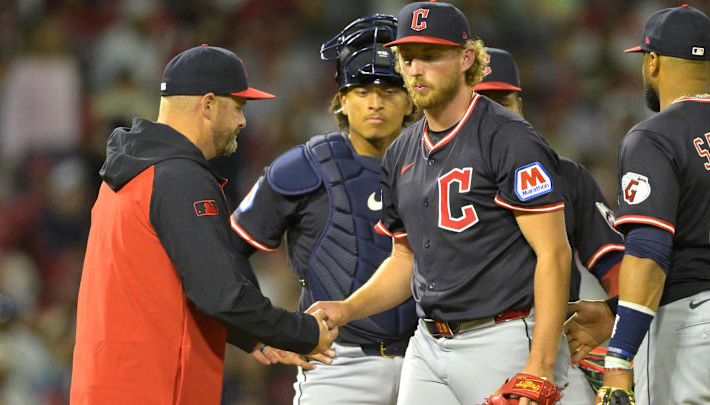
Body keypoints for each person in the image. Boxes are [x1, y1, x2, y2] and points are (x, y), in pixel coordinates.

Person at [308, 3, 572, 404]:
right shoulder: (400, 152)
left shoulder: (508, 138)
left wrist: (540, 363)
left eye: (430, 56)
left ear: (467, 58)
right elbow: (404, 260)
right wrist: (346, 310)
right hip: (428, 345)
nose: (415, 69)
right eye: (407, 57)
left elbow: (553, 252)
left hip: (502, 337)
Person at [69, 45, 337, 405]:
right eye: (238, 107)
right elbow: (222, 295)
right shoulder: (181, 177)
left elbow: (176, 286)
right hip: (156, 388)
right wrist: (303, 332)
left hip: (109, 383)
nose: (243, 121)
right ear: (208, 104)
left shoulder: (131, 169)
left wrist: (252, 336)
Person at [229, 15, 418, 404]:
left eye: (389, 89)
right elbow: (231, 250)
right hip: (340, 361)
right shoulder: (304, 166)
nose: (376, 102)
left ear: (411, 100)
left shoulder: (442, 164)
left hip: (430, 357)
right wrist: (268, 328)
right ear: (342, 101)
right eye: (362, 90)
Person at [563, 5, 710, 405]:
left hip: (692, 328)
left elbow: (649, 252)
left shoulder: (656, 135)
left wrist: (619, 357)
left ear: (653, 61)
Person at [475, 47, 625, 403]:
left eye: (504, 103)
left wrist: (614, 311)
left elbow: (614, 262)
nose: (495, 116)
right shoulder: (434, 178)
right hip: (461, 340)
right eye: (483, 105)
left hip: (550, 337)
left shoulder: (566, 175)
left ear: (521, 107)